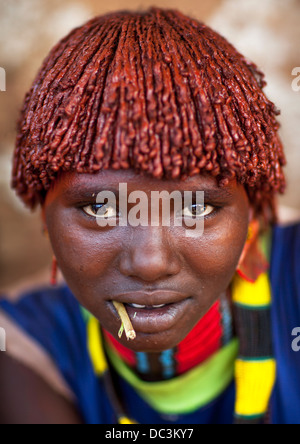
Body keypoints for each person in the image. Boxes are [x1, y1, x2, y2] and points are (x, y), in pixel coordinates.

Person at [0, 7, 299, 425]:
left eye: (196, 208)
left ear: (254, 213)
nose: (150, 263)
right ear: (44, 218)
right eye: (100, 208)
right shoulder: (25, 346)